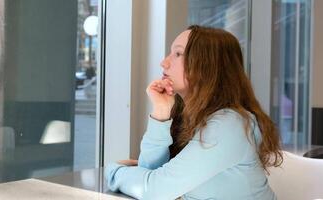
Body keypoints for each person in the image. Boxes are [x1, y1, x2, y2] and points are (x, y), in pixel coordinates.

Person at [105, 25, 283, 200]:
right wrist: (161, 113)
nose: (164, 62)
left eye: (178, 54)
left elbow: (154, 191)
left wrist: (114, 170)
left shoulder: (229, 125)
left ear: (207, 65)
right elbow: (150, 173)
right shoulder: (189, 113)